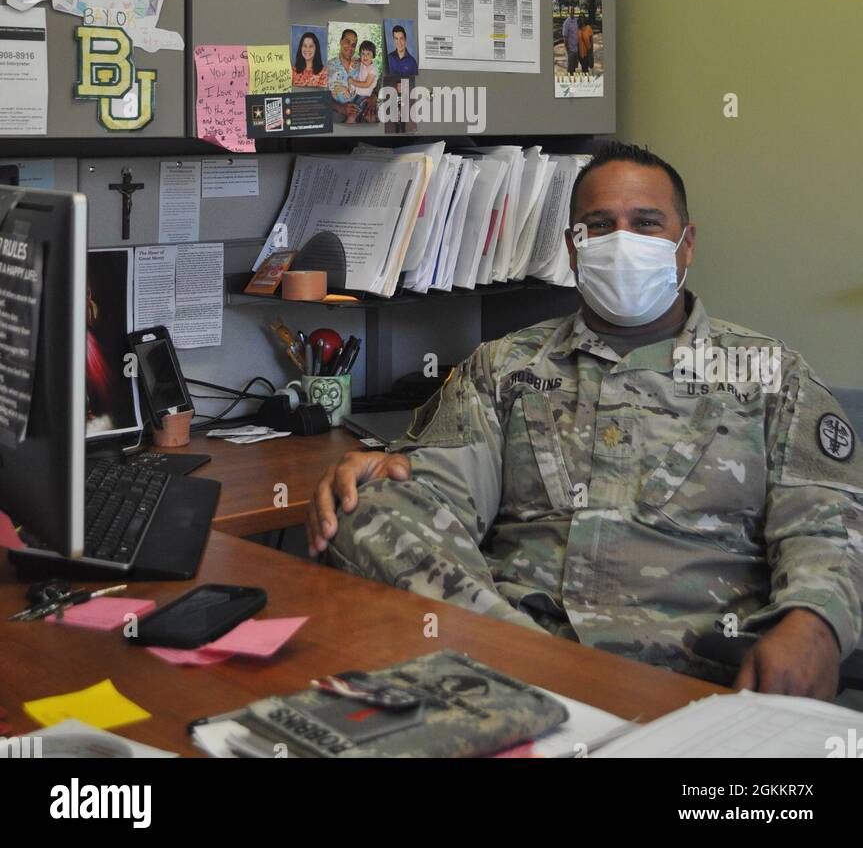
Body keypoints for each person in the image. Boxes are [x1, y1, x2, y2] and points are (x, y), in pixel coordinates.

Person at [305, 143, 863, 698]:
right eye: (600, 225)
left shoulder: (770, 374)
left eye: (646, 223)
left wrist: (813, 622)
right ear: (574, 249)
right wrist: (386, 475)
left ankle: (541, 682)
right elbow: (438, 491)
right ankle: (543, 674)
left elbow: (828, 527)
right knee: (366, 507)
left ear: (685, 244)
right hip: (519, 636)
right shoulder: (505, 367)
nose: (623, 242)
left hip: (696, 668)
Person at [326, 28, 360, 123]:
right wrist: (341, 108)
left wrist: (373, 96)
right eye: (347, 41)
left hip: (358, 111)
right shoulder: (328, 67)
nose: (350, 47)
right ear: (341, 42)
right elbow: (321, 97)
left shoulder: (360, 64)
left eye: (353, 45)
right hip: (335, 114)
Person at [348, 39, 379, 118]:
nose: (365, 56)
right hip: (355, 92)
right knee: (349, 107)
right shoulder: (361, 62)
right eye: (363, 53)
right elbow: (353, 59)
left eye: (368, 54)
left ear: (373, 55)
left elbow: (367, 84)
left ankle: (351, 122)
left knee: (353, 113)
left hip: (364, 96)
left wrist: (352, 81)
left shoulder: (373, 69)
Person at [561, 9, 582, 75]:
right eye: (571, 11)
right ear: (569, 12)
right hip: (570, 49)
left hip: (576, 48)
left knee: (574, 67)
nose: (572, 12)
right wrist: (568, 49)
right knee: (570, 68)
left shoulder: (576, 20)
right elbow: (565, 37)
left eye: (573, 10)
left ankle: (573, 80)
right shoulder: (566, 23)